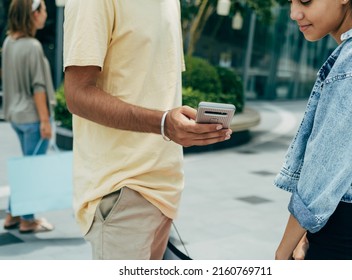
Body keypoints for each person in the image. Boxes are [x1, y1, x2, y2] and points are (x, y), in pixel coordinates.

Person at [63, 0, 232, 260]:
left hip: (165, 190)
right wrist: (164, 122)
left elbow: (155, 84)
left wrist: (183, 124)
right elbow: (77, 94)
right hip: (122, 190)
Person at [274, 0, 352, 260]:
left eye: (305, 0)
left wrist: (281, 253)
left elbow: (324, 170)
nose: (294, 13)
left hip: (348, 238)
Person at [2, 0, 55, 233]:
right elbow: (39, 87)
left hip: (15, 116)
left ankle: (13, 214)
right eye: (42, 9)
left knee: (26, 167)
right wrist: (45, 121)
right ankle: (28, 219)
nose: (46, 13)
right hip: (34, 119)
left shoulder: (8, 42)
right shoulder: (32, 46)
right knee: (33, 172)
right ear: (33, 14)